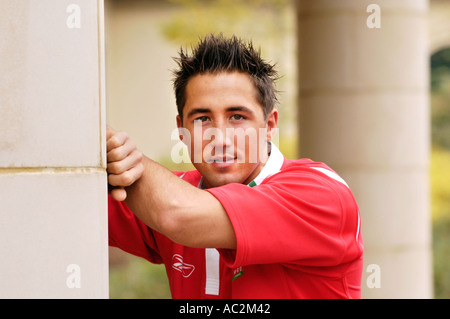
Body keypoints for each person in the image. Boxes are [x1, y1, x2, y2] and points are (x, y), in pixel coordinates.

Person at [107, 34, 364, 299]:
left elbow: (178, 214)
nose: (220, 138)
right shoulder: (166, 192)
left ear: (269, 126)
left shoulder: (320, 193)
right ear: (181, 129)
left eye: (237, 117)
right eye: (202, 118)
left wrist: (119, 153)